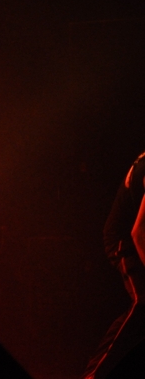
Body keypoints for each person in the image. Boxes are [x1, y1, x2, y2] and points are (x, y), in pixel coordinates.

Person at [84, 151, 145, 378]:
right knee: (143, 302)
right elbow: (138, 232)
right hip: (124, 241)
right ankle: (93, 374)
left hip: (137, 237)